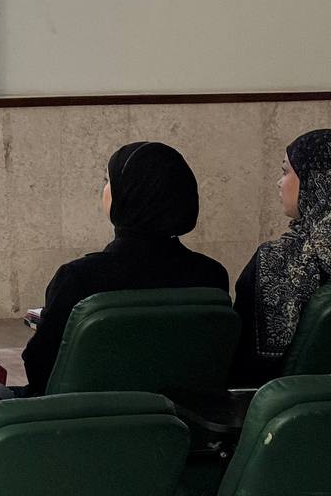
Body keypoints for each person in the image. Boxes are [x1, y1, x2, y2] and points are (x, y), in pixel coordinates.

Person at [21, 141, 228, 396]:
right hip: (180, 416)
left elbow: (41, 369)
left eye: (108, 181)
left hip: (90, 417)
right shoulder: (211, 276)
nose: (105, 189)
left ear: (127, 193)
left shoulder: (79, 279)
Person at [231, 129, 331, 387]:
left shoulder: (274, 261)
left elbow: (242, 366)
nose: (279, 182)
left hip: (284, 404)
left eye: (286, 172)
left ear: (314, 180)